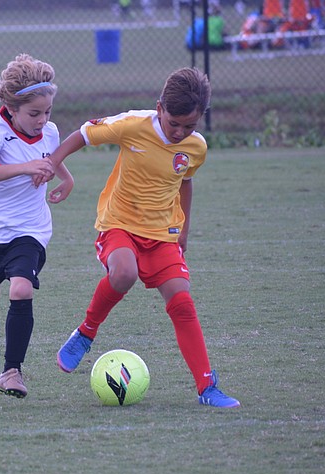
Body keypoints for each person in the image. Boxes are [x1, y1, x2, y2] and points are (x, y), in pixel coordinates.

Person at [48, 67, 241, 408]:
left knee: (182, 302)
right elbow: (84, 134)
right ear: (160, 108)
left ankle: (207, 387)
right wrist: (53, 163)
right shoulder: (133, 125)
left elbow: (185, 181)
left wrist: (185, 229)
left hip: (163, 233)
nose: (181, 132)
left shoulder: (196, 147)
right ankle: (86, 332)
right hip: (119, 222)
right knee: (124, 273)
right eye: (174, 124)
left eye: (190, 126)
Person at [0, 53, 74, 398]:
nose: (43, 120)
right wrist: (28, 168)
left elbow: (51, 160)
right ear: (12, 107)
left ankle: (11, 372)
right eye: (34, 113)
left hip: (30, 229)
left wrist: (66, 179)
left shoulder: (50, 131)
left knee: (22, 288)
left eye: (47, 112)